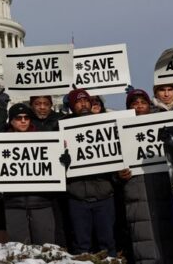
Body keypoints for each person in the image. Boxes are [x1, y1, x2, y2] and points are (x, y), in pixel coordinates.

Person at [118, 89, 173, 264]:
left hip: (165, 187)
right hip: (137, 193)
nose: (139, 106)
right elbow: (112, 166)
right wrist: (118, 176)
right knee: (145, 239)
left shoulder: (165, 124)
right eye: (134, 103)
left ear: (150, 105)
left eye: (143, 102)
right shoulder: (119, 130)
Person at [0, 103, 57, 245]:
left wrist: (62, 162)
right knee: (19, 248)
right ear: (11, 121)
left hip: (41, 202)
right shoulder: (0, 143)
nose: (23, 121)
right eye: (18, 118)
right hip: (14, 203)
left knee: (45, 247)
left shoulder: (44, 138)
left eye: (26, 118)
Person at [63, 88, 116, 257]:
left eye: (86, 100)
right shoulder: (62, 129)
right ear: (71, 106)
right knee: (81, 247)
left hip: (104, 195)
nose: (83, 104)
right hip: (77, 197)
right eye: (78, 101)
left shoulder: (105, 124)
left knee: (107, 245)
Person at [0, 89, 64, 132]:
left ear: (51, 105)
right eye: (37, 104)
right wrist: (2, 108)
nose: (42, 107)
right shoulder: (25, 120)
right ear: (31, 105)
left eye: (46, 104)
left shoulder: (62, 119)